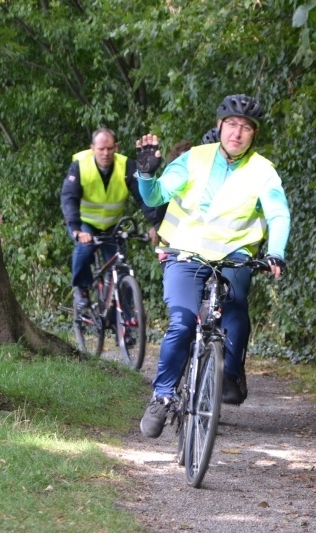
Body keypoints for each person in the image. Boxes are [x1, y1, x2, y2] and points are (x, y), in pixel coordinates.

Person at [135, 94, 291, 439]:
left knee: (236, 312)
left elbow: (278, 212)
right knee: (181, 322)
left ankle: (230, 373)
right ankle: (161, 397)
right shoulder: (194, 158)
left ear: (254, 134)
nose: (237, 133)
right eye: (232, 124)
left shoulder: (262, 170)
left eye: (246, 127)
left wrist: (276, 252)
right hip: (186, 254)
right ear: (220, 126)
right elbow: (156, 197)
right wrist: (145, 175)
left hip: (235, 257)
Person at [60, 128, 161, 308]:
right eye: (101, 149)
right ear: (92, 148)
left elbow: (143, 197)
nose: (105, 153)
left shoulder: (126, 166)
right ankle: (81, 289)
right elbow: (69, 198)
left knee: (120, 268)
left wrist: (156, 224)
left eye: (109, 148)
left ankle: (126, 321)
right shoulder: (80, 166)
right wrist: (75, 229)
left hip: (112, 225)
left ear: (116, 147)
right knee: (84, 249)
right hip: (86, 223)